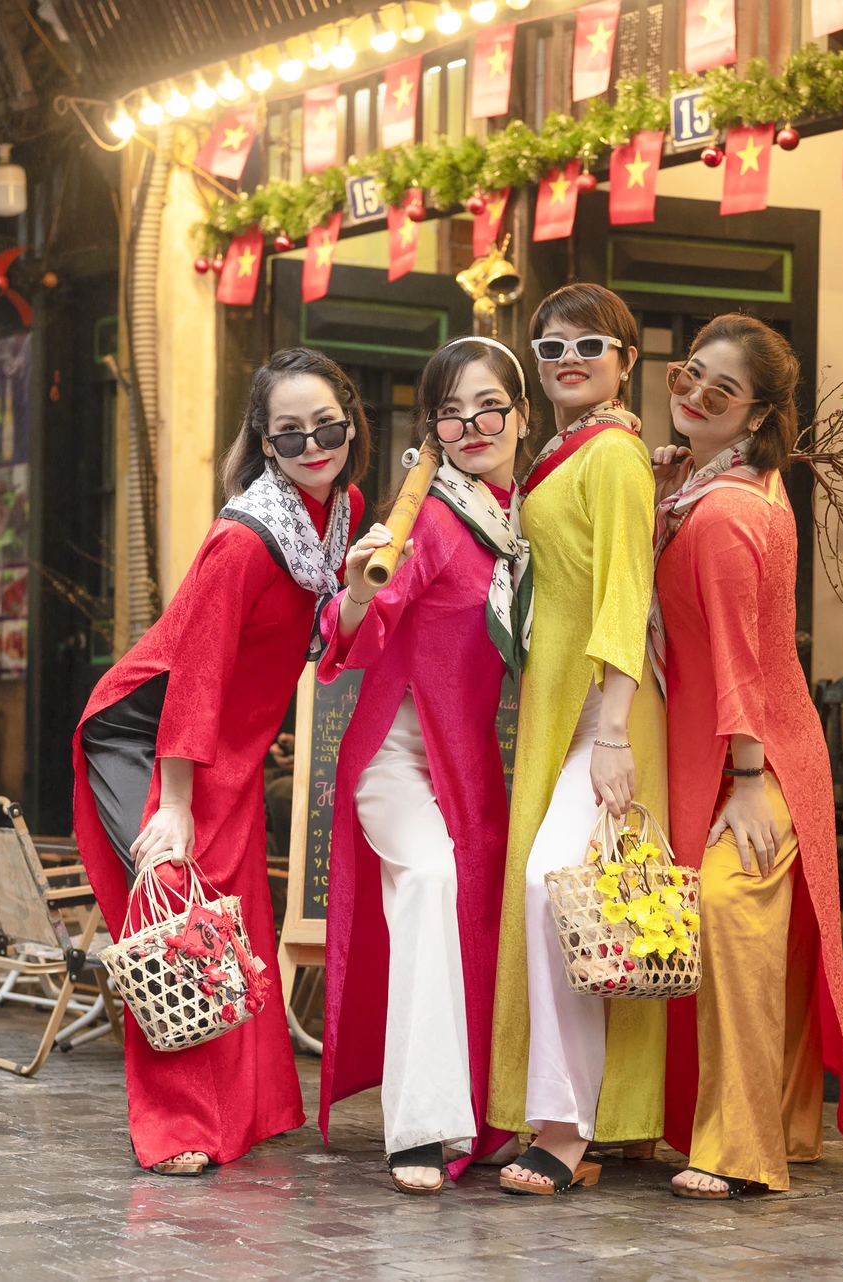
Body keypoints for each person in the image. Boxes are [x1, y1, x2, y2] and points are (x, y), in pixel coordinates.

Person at [72, 348, 369, 1176]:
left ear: (351, 424)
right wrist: (172, 803)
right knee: (174, 907)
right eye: (290, 434)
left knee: (239, 913)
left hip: (227, 739)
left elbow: (324, 638)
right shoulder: (243, 539)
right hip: (147, 731)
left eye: (327, 427)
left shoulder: (344, 514)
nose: (313, 445)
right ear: (265, 444)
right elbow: (194, 676)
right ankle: (179, 1128)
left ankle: (252, 1109)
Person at [316, 337, 531, 1194]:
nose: (472, 424)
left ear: (521, 414)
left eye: (489, 406)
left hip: (467, 758)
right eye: (452, 410)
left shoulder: (520, 514)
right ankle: (416, 1128)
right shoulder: (433, 515)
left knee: (475, 918)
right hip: (396, 758)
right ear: (431, 429)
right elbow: (359, 629)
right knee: (432, 885)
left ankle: (479, 1120)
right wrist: (361, 588)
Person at [648, 314, 843, 1198]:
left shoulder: (729, 511)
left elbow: (740, 655)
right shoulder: (710, 486)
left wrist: (750, 781)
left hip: (753, 754)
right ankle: (766, 1122)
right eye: (688, 374)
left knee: (732, 925)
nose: (692, 395)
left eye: (718, 392)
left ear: (759, 414)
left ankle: (740, 1149)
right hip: (723, 745)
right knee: (728, 932)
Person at [489, 284, 669, 1195]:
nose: (568, 359)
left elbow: (625, 595)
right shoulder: (556, 453)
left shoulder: (614, 459)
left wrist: (611, 733)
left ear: (627, 361)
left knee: (552, 885)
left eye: (589, 344)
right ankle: (588, 1120)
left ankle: (565, 1128)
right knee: (579, 900)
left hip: (602, 705)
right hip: (552, 699)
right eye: (550, 347)